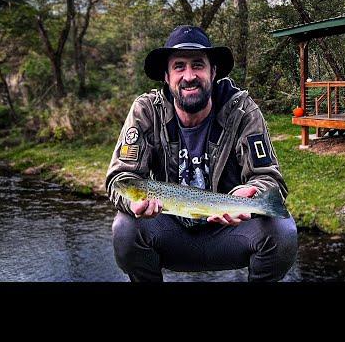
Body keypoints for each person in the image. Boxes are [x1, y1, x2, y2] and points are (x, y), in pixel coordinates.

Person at [106, 25, 298, 282]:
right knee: (124, 229)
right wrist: (133, 203)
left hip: (230, 230)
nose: (189, 76)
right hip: (168, 231)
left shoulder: (241, 111)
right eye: (179, 66)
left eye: (198, 65)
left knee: (283, 231)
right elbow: (119, 178)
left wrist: (249, 198)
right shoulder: (146, 111)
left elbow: (270, 179)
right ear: (166, 76)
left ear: (213, 71)